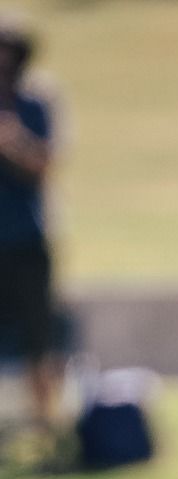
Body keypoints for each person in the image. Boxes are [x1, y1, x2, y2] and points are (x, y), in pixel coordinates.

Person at [0, 12, 60, 443]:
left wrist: (11, 140)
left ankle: (46, 430)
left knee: (39, 337)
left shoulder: (34, 102)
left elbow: (44, 163)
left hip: (25, 239)